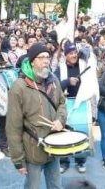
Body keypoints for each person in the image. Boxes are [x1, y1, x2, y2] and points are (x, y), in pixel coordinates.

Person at [5, 43, 65, 189]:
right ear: (32, 61)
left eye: (47, 57)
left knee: (56, 185)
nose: (46, 60)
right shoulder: (19, 87)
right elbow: (13, 127)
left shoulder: (53, 80)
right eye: (41, 57)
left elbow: (62, 103)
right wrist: (18, 160)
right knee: (33, 187)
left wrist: (60, 119)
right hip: (33, 149)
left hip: (54, 146)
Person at [56, 43, 91, 173]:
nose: (74, 55)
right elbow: (54, 85)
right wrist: (67, 82)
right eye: (70, 53)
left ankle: (80, 161)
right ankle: (64, 161)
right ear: (65, 56)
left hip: (81, 103)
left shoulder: (83, 65)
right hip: (66, 103)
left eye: (75, 52)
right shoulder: (60, 68)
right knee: (64, 133)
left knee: (81, 132)